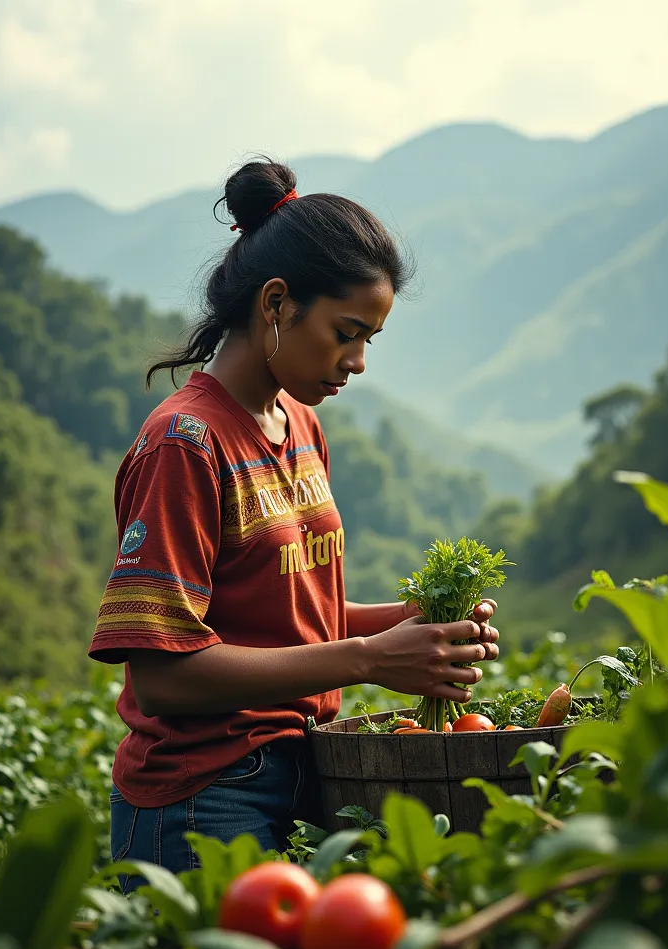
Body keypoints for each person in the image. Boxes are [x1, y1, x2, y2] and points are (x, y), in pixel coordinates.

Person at [88, 159, 499, 884]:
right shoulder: (185, 444)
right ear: (276, 303)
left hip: (305, 768)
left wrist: (409, 625)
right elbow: (160, 673)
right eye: (346, 333)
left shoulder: (301, 426)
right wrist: (371, 661)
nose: (359, 362)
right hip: (201, 799)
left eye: (369, 339)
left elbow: (279, 616)